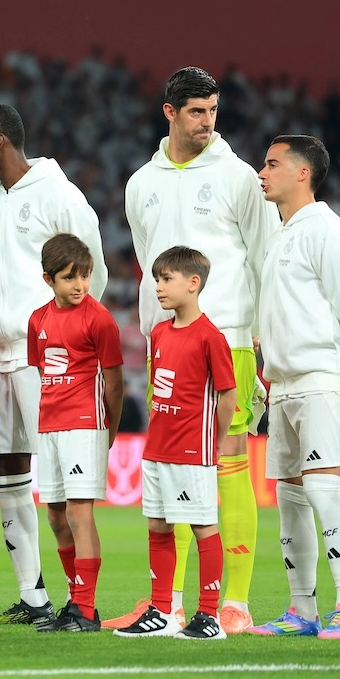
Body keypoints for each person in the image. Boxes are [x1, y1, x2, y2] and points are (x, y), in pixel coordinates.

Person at [117, 67, 276, 635]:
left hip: (229, 338)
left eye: (213, 111)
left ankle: (233, 602)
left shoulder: (238, 178)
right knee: (168, 468)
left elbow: (265, 259)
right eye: (196, 112)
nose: (207, 122)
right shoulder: (141, 183)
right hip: (166, 347)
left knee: (229, 466)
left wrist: (264, 343)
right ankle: (169, 601)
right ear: (170, 112)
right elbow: (146, 262)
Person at [0, 104, 107, 626]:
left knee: (62, 490)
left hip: (45, 359)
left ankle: (81, 602)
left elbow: (95, 272)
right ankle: (33, 594)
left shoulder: (58, 194)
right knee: (6, 471)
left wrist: (69, 338)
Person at [249, 135, 340, 640]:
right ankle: (302, 610)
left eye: (273, 164)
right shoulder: (280, 235)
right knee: (290, 498)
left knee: (322, 489)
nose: (263, 172)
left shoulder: (329, 231)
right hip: (283, 384)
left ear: (302, 173)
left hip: (324, 378)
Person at [113, 247, 235, 640]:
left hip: (191, 449)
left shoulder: (211, 337)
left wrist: (213, 443)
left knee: (203, 527)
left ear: (193, 283)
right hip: (157, 447)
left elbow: (228, 395)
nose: (158, 286)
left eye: (167, 279)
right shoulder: (160, 333)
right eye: (157, 279)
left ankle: (209, 615)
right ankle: (162, 612)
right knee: (158, 526)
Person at [29, 234, 124, 633]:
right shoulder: (37, 319)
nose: (80, 285)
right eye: (70, 278)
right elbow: (42, 374)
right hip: (49, 425)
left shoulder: (99, 318)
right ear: (48, 278)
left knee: (79, 514)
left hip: (85, 424)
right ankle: (74, 601)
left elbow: (114, 383)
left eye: (84, 276)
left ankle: (85, 608)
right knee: (55, 515)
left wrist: (108, 433)